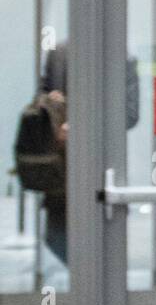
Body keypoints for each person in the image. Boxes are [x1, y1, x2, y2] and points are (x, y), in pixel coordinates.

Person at [34, 42, 140, 268]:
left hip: (103, 160)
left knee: (103, 231)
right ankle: (85, 278)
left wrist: (82, 125)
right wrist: (52, 107)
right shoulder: (59, 53)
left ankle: (93, 280)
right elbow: (42, 99)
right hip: (62, 164)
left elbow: (130, 114)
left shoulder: (122, 57)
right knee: (56, 235)